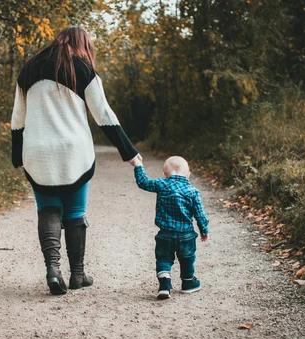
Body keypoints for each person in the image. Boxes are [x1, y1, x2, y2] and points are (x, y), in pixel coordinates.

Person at [11, 26, 142, 295]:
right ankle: (77, 275)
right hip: (74, 152)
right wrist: (128, 151)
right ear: (81, 44)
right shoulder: (81, 68)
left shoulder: (29, 68)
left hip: (37, 151)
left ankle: (52, 270)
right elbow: (103, 114)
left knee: (48, 209)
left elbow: (17, 119)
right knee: (74, 212)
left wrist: (17, 156)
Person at [132, 156, 209, 299]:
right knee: (187, 258)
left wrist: (138, 165)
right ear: (188, 175)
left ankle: (164, 285)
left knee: (163, 259)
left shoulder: (161, 184)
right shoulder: (192, 191)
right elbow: (200, 215)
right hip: (186, 235)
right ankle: (187, 282)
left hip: (165, 234)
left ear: (164, 174)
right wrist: (204, 230)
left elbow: (143, 182)